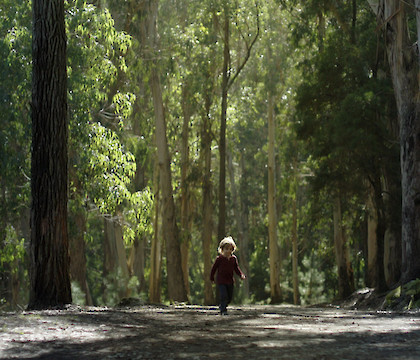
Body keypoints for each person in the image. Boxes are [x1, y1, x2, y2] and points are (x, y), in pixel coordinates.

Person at [210, 236, 246, 315]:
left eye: (230, 249)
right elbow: (213, 269)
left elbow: (236, 268)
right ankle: (223, 310)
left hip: (230, 281)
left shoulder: (233, 259)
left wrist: (241, 275)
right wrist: (212, 278)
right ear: (222, 249)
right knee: (223, 295)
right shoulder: (219, 259)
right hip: (221, 281)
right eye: (226, 249)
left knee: (229, 297)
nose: (228, 251)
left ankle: (223, 305)